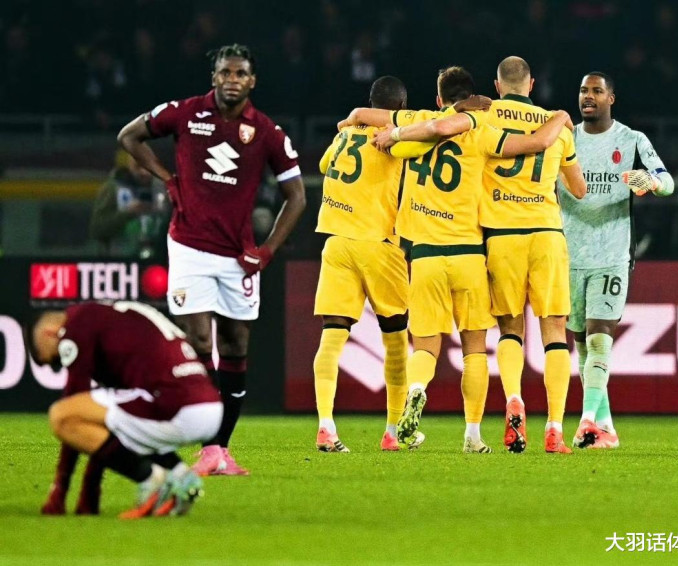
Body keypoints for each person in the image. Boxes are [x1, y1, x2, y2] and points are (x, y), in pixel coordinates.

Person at [375, 59, 586, 454]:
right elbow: (571, 181)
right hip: (506, 243)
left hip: (448, 249)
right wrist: (560, 117)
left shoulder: (439, 125)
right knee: (535, 334)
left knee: (466, 338)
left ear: (496, 85)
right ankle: (525, 429)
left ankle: (464, 394)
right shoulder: (497, 127)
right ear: (531, 84)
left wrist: (371, 125)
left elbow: (395, 122)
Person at [117, 44, 306, 475]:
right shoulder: (185, 113)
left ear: (252, 81)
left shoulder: (266, 132)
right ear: (214, 77)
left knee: (235, 346)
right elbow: (128, 136)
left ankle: (221, 447)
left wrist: (268, 249)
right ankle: (208, 445)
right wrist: (167, 179)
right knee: (200, 342)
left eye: (240, 73)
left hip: (238, 256)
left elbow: (296, 196)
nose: (231, 80)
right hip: (187, 246)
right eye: (224, 72)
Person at [314, 76, 434, 453]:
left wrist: (352, 122)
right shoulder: (394, 137)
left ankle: (326, 426)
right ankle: (392, 432)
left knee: (331, 339)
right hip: (379, 244)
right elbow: (432, 132)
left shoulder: (344, 135)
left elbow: (324, 165)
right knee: (396, 342)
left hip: (336, 242)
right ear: (400, 108)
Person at [558, 72, 675, 449]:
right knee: (581, 344)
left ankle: (587, 421)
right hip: (569, 255)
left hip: (611, 254)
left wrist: (650, 182)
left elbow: (668, 182)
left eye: (596, 91)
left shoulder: (632, 140)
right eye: (583, 90)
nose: (588, 96)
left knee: (599, 338)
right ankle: (605, 427)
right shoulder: (564, 139)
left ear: (611, 98)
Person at [26, 301, 222, 518]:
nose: (60, 363)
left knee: (61, 415)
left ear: (49, 333)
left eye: (54, 359)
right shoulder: (114, 319)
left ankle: (150, 478)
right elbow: (106, 427)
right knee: (117, 419)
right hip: (210, 407)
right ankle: (182, 476)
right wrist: (90, 491)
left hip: (175, 404)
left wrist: (60, 491)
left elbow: (73, 406)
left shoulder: (78, 324)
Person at [89, 149, 170, 259]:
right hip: (120, 260)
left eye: (148, 167)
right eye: (138, 167)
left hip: (157, 260)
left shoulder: (164, 190)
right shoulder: (113, 189)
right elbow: (97, 229)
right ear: (129, 165)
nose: (144, 172)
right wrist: (127, 213)